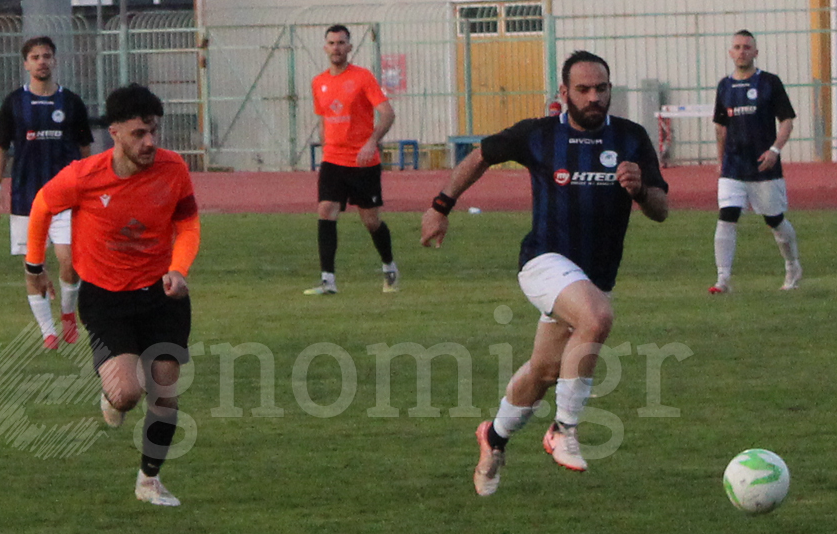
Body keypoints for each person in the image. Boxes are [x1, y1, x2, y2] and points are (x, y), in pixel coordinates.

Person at [421, 51, 669, 495]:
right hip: (543, 261)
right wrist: (441, 206)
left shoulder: (631, 138)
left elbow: (661, 209)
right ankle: (563, 429)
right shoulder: (538, 134)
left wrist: (640, 191)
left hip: (594, 276)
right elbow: (481, 156)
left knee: (544, 371)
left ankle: (494, 437)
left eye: (601, 89)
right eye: (583, 89)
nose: (593, 97)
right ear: (564, 92)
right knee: (598, 318)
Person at [25, 84, 199, 507]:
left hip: (161, 294)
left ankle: (149, 480)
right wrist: (34, 266)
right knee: (126, 394)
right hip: (106, 298)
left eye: (154, 131)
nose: (150, 142)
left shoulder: (173, 168)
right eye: (139, 133)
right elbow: (42, 206)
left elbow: (188, 224)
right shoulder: (84, 176)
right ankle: (111, 394)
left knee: (164, 388)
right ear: (115, 132)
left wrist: (179, 268)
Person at [0, 36, 93, 350]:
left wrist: (87, 185)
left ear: (54, 60)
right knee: (33, 267)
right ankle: (48, 331)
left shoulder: (71, 102)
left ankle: (67, 314)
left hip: (65, 197)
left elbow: (85, 148)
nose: (42, 61)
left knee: (69, 261)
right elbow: (0, 146)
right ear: (26, 64)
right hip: (26, 197)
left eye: (46, 56)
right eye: (35, 57)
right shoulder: (14, 102)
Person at [304, 24, 399, 295]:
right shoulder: (318, 82)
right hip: (333, 160)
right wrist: (326, 145)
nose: (336, 48)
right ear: (325, 47)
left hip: (362, 162)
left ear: (349, 47)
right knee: (326, 210)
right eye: (332, 43)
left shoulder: (362, 77)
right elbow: (323, 118)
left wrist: (371, 141)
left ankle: (389, 266)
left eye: (341, 43)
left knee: (370, 220)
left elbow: (387, 113)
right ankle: (328, 281)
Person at [709, 29, 800, 294]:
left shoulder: (769, 82)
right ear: (730, 52)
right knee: (726, 217)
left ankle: (792, 265)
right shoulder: (724, 86)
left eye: (746, 47)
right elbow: (720, 128)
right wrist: (720, 161)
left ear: (755, 52)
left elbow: (787, 121)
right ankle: (723, 279)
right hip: (733, 166)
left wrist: (774, 150)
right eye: (737, 47)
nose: (741, 52)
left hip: (763, 166)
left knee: (774, 220)